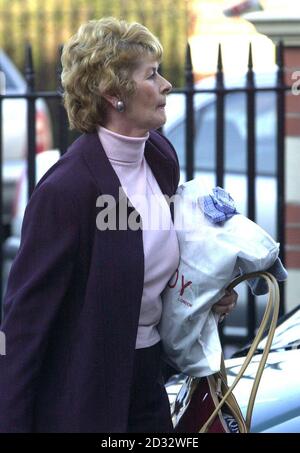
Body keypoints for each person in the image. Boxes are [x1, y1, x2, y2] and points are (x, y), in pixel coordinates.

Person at [0, 17, 237, 433]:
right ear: (114, 94)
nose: (167, 85)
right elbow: (24, 327)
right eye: (152, 75)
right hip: (85, 401)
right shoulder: (68, 189)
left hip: (149, 383)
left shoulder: (160, 158)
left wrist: (205, 296)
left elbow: (151, 271)